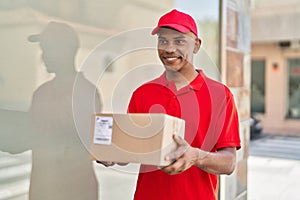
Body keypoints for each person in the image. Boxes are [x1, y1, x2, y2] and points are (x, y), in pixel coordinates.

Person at [99, 9, 240, 200]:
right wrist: (113, 155)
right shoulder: (142, 94)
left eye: (179, 41)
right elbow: (132, 149)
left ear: (197, 45)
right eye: (163, 41)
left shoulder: (220, 95)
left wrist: (196, 156)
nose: (169, 49)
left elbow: (229, 163)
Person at [28, 22, 101, 200]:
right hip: (42, 189)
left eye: (46, 49)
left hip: (76, 191)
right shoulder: (41, 92)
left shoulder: (85, 93)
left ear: (63, 51)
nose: (42, 57)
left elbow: (85, 140)